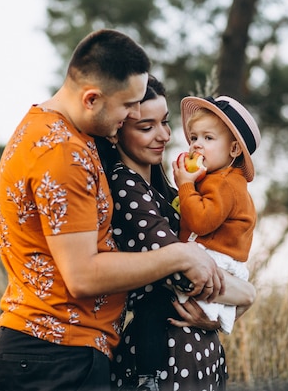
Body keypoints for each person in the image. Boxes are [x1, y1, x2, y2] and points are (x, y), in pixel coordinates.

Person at [0, 29, 226, 391]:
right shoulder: (62, 154)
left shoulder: (57, 133)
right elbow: (82, 275)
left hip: (59, 350)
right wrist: (179, 255)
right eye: (128, 105)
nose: (133, 112)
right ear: (92, 98)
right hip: (55, 354)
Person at [95, 77, 256, 391]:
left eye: (165, 123)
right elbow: (184, 273)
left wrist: (217, 315)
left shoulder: (165, 189)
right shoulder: (125, 186)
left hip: (195, 352)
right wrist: (247, 295)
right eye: (146, 127)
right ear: (117, 131)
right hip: (164, 355)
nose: (164, 136)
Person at [172, 95, 261, 334]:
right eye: (194, 137)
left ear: (233, 149)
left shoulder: (224, 184)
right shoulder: (220, 180)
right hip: (220, 262)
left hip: (214, 259)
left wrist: (185, 186)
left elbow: (200, 222)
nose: (196, 145)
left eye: (208, 138)